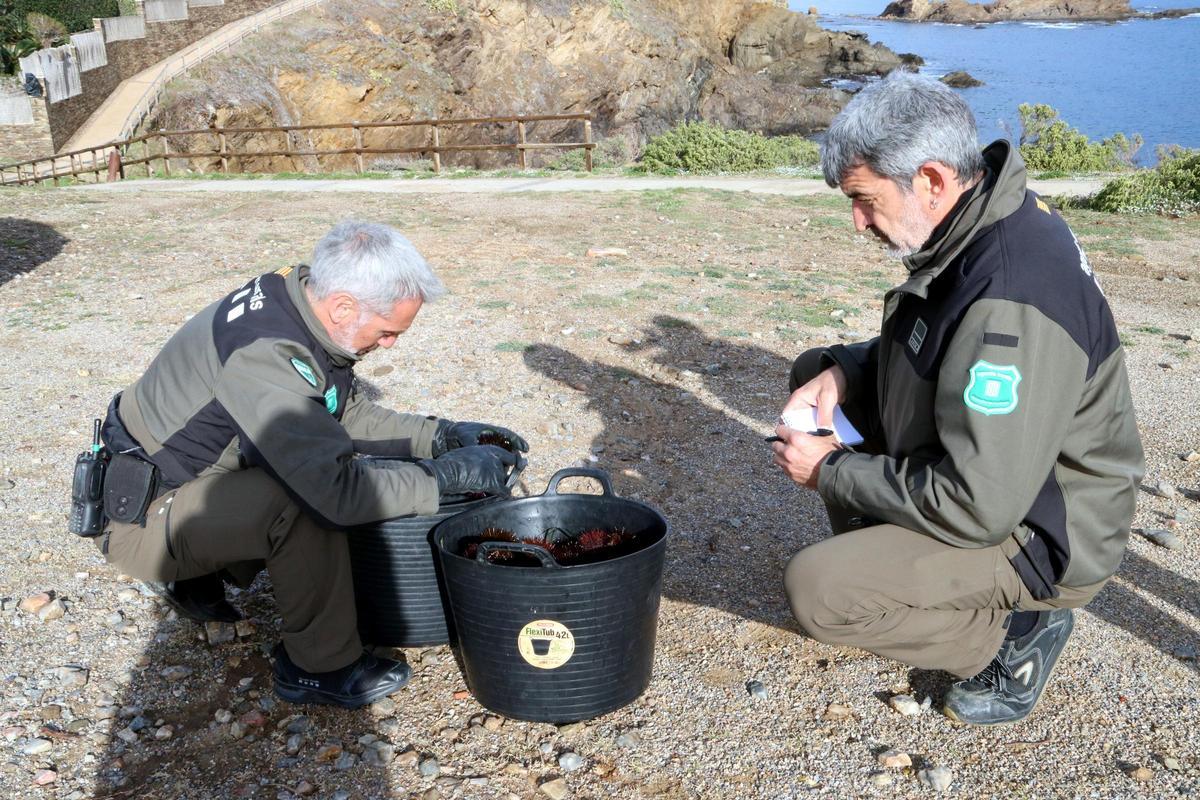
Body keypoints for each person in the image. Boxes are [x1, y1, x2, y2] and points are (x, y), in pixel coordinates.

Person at [772, 73, 1144, 725]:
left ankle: (1012, 638)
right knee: (818, 377)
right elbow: (938, 344)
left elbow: (979, 504)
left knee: (819, 590)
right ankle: (904, 557)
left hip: (1043, 531)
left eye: (863, 199)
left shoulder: (1010, 299)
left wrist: (832, 470)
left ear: (933, 181)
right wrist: (843, 372)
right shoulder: (976, 222)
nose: (857, 221)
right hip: (998, 477)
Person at [93, 221, 528, 709]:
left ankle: (200, 572)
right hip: (144, 520)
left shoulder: (297, 296)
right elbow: (335, 492)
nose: (390, 345)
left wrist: (442, 435)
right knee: (303, 501)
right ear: (343, 304)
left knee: (307, 465)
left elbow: (333, 409)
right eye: (387, 332)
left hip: (182, 483)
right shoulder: (268, 353)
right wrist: (444, 478)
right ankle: (318, 667)